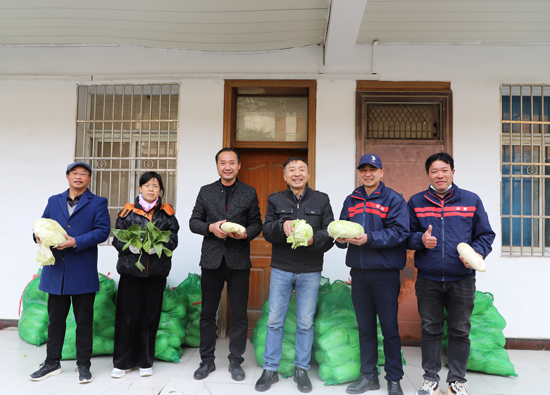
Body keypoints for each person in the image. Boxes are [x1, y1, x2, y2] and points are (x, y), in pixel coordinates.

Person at [407, 153, 495, 395]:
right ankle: (431, 380)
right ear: (428, 175)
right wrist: (421, 240)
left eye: (444, 170)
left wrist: (475, 255)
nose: (440, 175)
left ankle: (457, 381)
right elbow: (407, 235)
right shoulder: (416, 202)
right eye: (434, 171)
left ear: (453, 172)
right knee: (430, 329)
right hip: (428, 278)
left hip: (462, 279)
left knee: (459, 330)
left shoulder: (471, 200)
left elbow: (486, 235)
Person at [255, 156, 334, 393]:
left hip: (310, 270)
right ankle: (270, 369)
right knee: (274, 321)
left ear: (308, 174)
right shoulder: (275, 199)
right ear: (285, 176)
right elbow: (266, 230)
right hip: (281, 267)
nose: (296, 173)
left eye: (301, 170)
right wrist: (281, 226)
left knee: (305, 323)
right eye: (292, 170)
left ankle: (302, 369)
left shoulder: (321, 200)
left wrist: (313, 239)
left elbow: (329, 232)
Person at [30, 162, 110, 384]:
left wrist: (76, 242)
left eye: (84, 174)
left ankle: (84, 366)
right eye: (74, 173)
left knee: (84, 321)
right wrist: (37, 236)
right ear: (67, 177)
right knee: (55, 321)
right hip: (55, 271)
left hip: (82, 271)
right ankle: (51, 363)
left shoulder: (98, 203)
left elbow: (103, 231)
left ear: (89, 179)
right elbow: (41, 224)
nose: (79, 177)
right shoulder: (54, 200)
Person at [335, 154, 408, 395]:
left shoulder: (393, 199)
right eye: (363, 169)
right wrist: (340, 239)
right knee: (364, 327)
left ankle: (394, 379)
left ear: (381, 172)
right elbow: (342, 227)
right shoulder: (352, 199)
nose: (368, 173)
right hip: (359, 272)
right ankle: (369, 377)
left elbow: (400, 233)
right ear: (359, 173)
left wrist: (370, 238)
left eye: (373, 169)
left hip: (385, 274)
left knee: (389, 328)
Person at [189, 147, 262, 382]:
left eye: (232, 162)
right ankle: (206, 360)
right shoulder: (206, 191)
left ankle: (236, 361)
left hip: (238, 260)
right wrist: (210, 228)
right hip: (211, 259)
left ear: (239, 165)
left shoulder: (249, 192)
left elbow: (256, 224)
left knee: (239, 313)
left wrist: (245, 235)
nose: (227, 166)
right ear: (218, 166)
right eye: (223, 162)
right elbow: (194, 222)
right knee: (208, 313)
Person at [111, 171, 179, 378]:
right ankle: (123, 362)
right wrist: (127, 246)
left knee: (149, 317)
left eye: (156, 186)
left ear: (161, 190)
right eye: (147, 185)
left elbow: (174, 239)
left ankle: (145, 361)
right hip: (131, 272)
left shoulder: (167, 214)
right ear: (140, 188)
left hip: (156, 273)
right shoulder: (127, 212)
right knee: (127, 317)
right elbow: (116, 239)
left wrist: (159, 245)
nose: (151, 189)